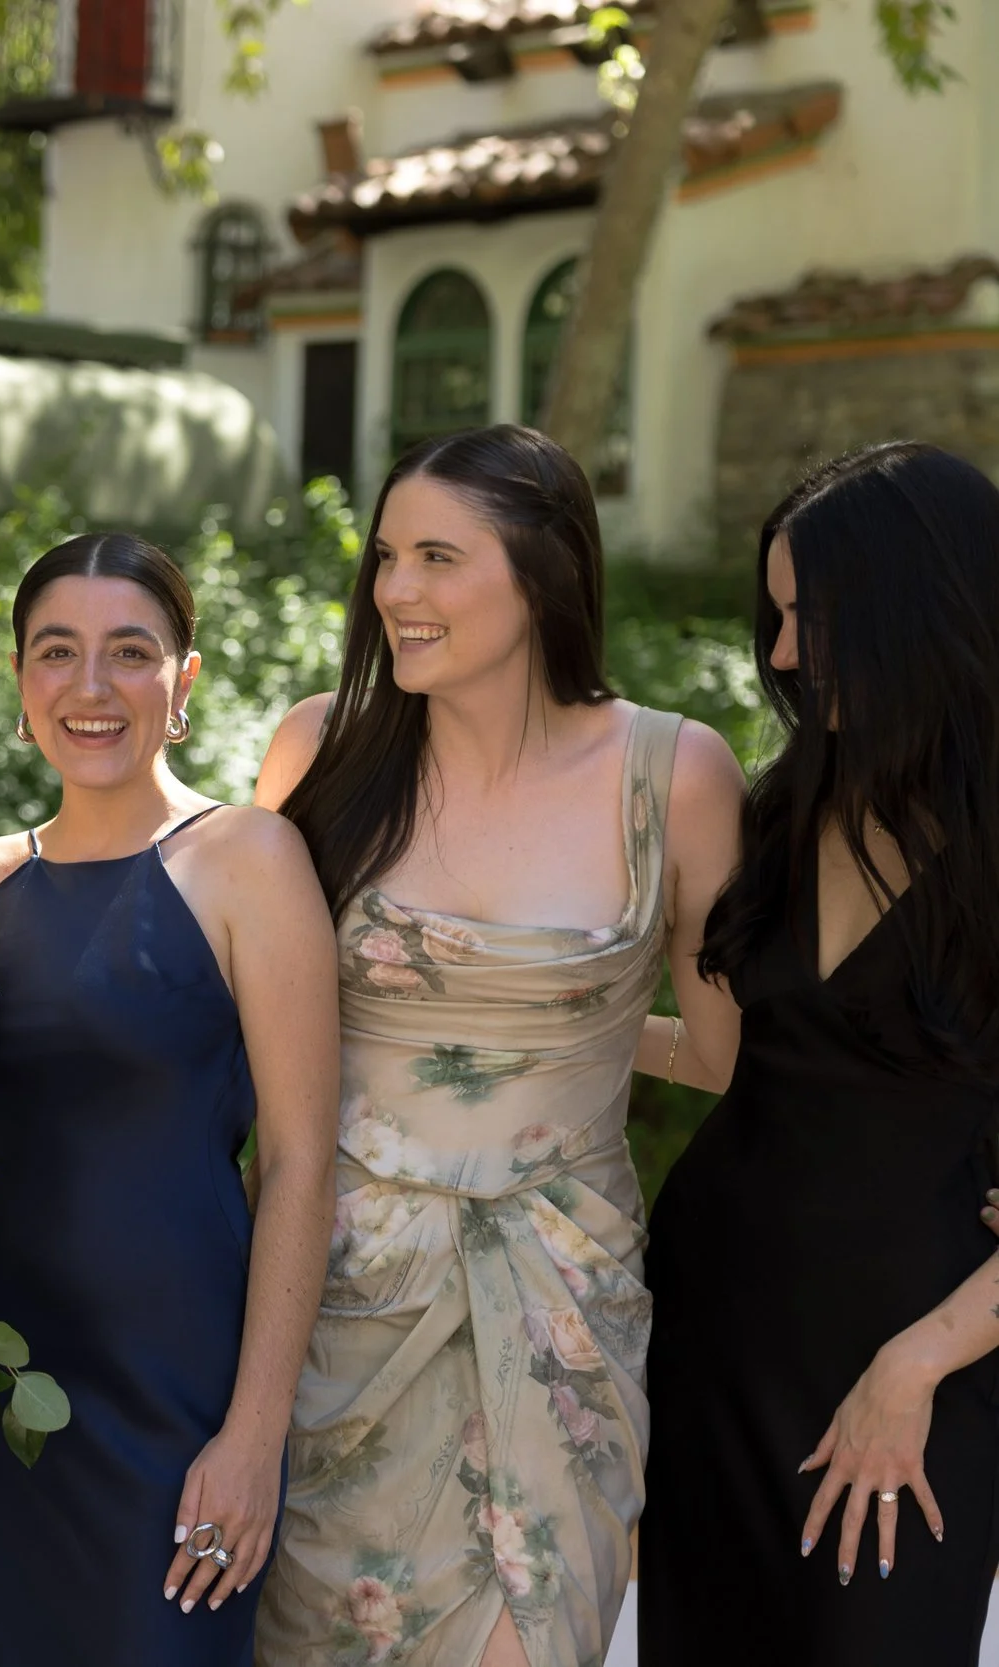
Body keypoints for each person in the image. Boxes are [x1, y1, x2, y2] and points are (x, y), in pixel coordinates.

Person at [249, 425, 743, 1667]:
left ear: (543, 574)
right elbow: (230, 1001)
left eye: (435, 557)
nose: (395, 592)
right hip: (336, 1308)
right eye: (383, 558)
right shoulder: (322, 750)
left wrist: (564, 1036)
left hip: (558, 1305)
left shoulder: (674, 773)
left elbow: (735, 1054)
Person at [638, 442, 999, 1664]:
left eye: (819, 617)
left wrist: (918, 1363)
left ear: (926, 604)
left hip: (920, 1360)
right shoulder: (783, 809)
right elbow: (737, 1061)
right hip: (709, 1335)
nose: (784, 655)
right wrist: (543, 1038)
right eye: (779, 616)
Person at [0, 532, 336, 1663]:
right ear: (20, 679)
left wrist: (252, 1433)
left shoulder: (247, 857)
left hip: (173, 1400)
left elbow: (305, 1158)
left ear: (184, 680)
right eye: (55, 652)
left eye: (130, 652)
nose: (89, 686)